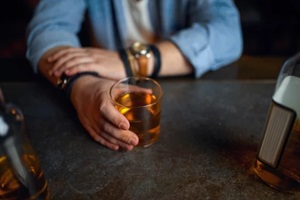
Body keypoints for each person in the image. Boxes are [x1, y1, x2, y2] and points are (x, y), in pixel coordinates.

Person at [26, 0, 243, 151]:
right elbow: (46, 29)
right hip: (104, 86)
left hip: (190, 108)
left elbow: (228, 32)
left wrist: (131, 61)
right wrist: (81, 85)